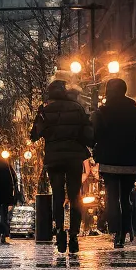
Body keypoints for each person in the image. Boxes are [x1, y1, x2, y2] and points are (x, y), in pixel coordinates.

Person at [29, 79, 93, 254]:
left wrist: (42, 116)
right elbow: (89, 135)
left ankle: (59, 234)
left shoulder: (46, 110)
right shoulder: (77, 108)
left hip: (54, 159)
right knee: (75, 197)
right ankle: (73, 236)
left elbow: (34, 135)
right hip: (74, 158)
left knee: (57, 195)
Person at [91, 78, 136, 249]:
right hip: (129, 162)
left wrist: (96, 154)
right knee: (125, 198)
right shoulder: (135, 112)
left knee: (112, 198)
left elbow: (95, 136)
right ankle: (125, 231)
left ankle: (116, 233)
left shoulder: (102, 112)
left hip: (108, 162)